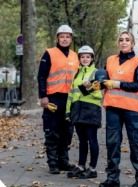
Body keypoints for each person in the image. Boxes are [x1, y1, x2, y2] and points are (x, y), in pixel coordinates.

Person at [98, 31, 138, 187]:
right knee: (112, 144)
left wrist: (116, 84)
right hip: (113, 108)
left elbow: (137, 85)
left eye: (127, 40)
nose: (124, 42)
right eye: (121, 40)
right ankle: (112, 178)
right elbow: (105, 81)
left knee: (137, 144)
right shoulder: (110, 60)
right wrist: (96, 84)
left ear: (133, 43)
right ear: (118, 42)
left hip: (132, 110)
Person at [38, 25, 79, 174]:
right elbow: (41, 76)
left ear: (71, 39)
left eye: (68, 36)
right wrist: (43, 96)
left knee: (67, 132)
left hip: (70, 100)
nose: (65, 39)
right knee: (52, 132)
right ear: (57, 38)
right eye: (62, 36)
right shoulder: (49, 54)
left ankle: (63, 161)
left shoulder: (75, 56)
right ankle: (53, 163)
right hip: (53, 98)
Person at [65, 45, 103, 179]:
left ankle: (92, 169)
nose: (85, 59)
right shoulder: (77, 74)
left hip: (91, 110)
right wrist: (68, 112)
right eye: (82, 57)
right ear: (79, 59)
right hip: (77, 110)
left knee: (92, 140)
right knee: (82, 141)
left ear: (92, 58)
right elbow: (71, 94)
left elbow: (99, 94)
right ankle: (81, 167)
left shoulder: (96, 73)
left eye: (88, 57)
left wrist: (88, 87)